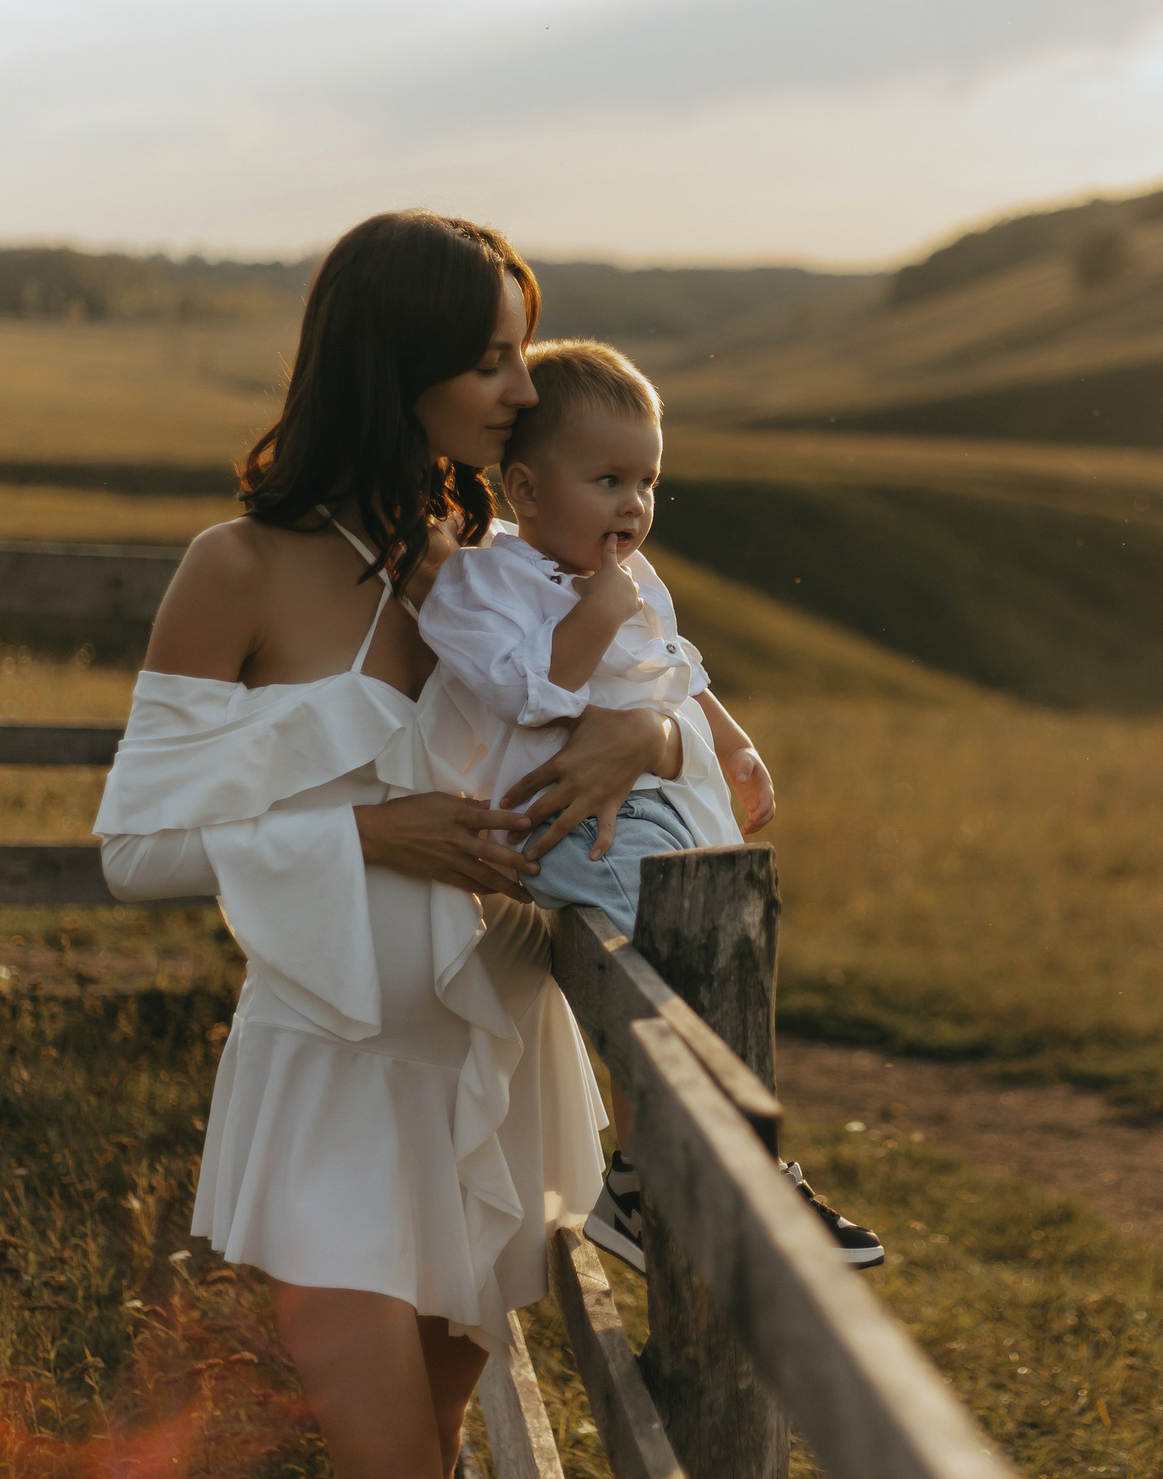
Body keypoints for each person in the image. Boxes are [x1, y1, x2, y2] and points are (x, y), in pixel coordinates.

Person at [93, 211, 709, 1479]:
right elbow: (137, 849)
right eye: (492, 359)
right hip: (334, 1068)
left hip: (489, 1060)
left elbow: (686, 726)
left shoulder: (489, 572)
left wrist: (640, 734)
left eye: (520, 356)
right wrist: (375, 833)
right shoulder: (239, 567)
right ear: (398, 363)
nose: (523, 390)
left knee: (432, 1445)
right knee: (392, 1462)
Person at [415, 339, 884, 1273]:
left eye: (648, 480)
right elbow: (526, 691)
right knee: (681, 985)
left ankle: (639, 1178)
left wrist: (734, 740)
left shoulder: (637, 578)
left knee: (715, 953)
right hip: (559, 821)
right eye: (608, 479)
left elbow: (677, 671)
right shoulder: (484, 582)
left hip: (658, 806)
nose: (634, 504)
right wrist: (600, 605)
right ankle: (740, 1173)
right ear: (527, 490)